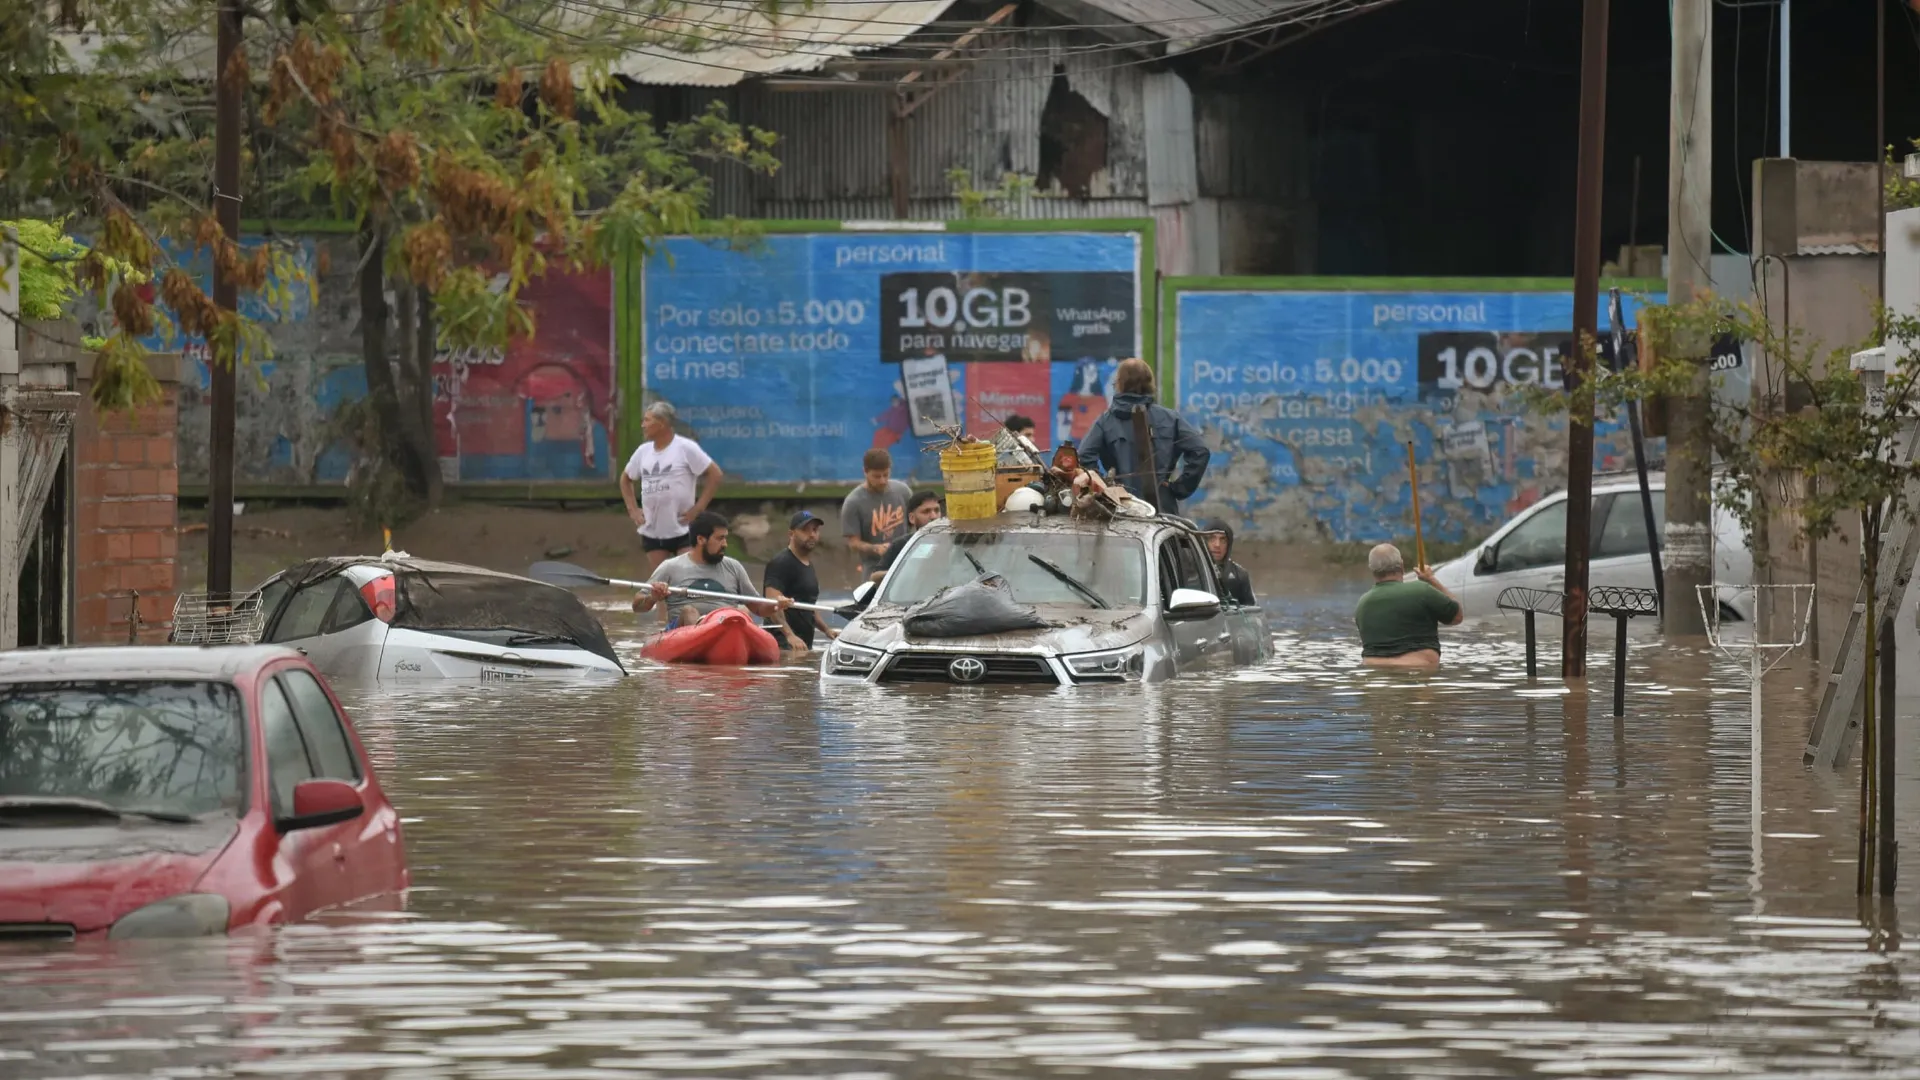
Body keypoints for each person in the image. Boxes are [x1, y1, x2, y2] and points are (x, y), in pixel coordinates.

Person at [1076, 358, 1210, 514]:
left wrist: (1104, 489)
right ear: (1149, 383)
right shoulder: (1170, 418)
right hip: (1163, 509)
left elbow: (1084, 456)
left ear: (1119, 384)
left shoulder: (1105, 422)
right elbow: (1200, 450)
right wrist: (1178, 488)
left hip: (1120, 507)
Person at [634, 512, 787, 628]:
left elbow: (759, 608)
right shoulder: (671, 567)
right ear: (701, 539)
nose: (725, 544)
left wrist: (775, 605)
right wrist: (653, 597)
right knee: (689, 611)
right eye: (720, 538)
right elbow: (638, 606)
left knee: (743, 612)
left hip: (725, 626)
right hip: (683, 630)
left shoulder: (734, 567)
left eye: (726, 538)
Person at [620, 401, 723, 572]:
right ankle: (663, 600)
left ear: (662, 424)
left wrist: (698, 508)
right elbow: (625, 479)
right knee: (660, 582)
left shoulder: (685, 447)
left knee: (687, 577)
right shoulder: (643, 451)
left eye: (647, 420)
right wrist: (633, 510)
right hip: (653, 529)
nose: (643, 425)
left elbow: (715, 474)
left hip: (683, 528)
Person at [1354, 543, 1462, 668]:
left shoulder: (1362, 603)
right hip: (1419, 671)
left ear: (1372, 570)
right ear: (1402, 565)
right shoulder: (1422, 590)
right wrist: (1431, 580)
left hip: (1374, 673)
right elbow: (1457, 616)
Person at [763, 511, 834, 654]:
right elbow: (772, 603)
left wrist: (827, 630)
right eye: (805, 530)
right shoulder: (781, 563)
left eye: (814, 530)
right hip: (782, 645)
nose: (812, 534)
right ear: (791, 534)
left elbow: (809, 606)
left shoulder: (808, 564)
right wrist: (790, 636)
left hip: (802, 645)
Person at [841, 447, 913, 578]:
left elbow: (914, 524)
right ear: (865, 472)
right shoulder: (853, 502)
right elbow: (853, 543)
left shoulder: (903, 491)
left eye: (886, 475)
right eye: (877, 476)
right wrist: (875, 548)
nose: (882, 481)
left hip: (905, 566)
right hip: (874, 570)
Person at [870, 491, 944, 581]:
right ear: (912, 518)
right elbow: (874, 577)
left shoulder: (954, 541)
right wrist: (902, 571)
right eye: (926, 511)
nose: (933, 516)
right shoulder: (903, 544)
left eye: (936, 510)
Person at [1200, 519, 1257, 607]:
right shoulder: (1191, 572)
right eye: (1212, 539)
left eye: (1223, 540)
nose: (1217, 545)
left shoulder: (1240, 575)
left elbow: (1251, 611)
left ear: (1228, 545)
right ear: (1204, 542)